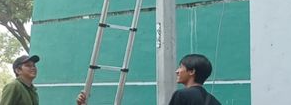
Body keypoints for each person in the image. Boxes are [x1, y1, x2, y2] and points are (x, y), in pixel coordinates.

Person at [76, 54, 221, 105]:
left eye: (180, 67)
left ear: (191, 71)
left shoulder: (182, 95)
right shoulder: (213, 100)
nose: (177, 70)